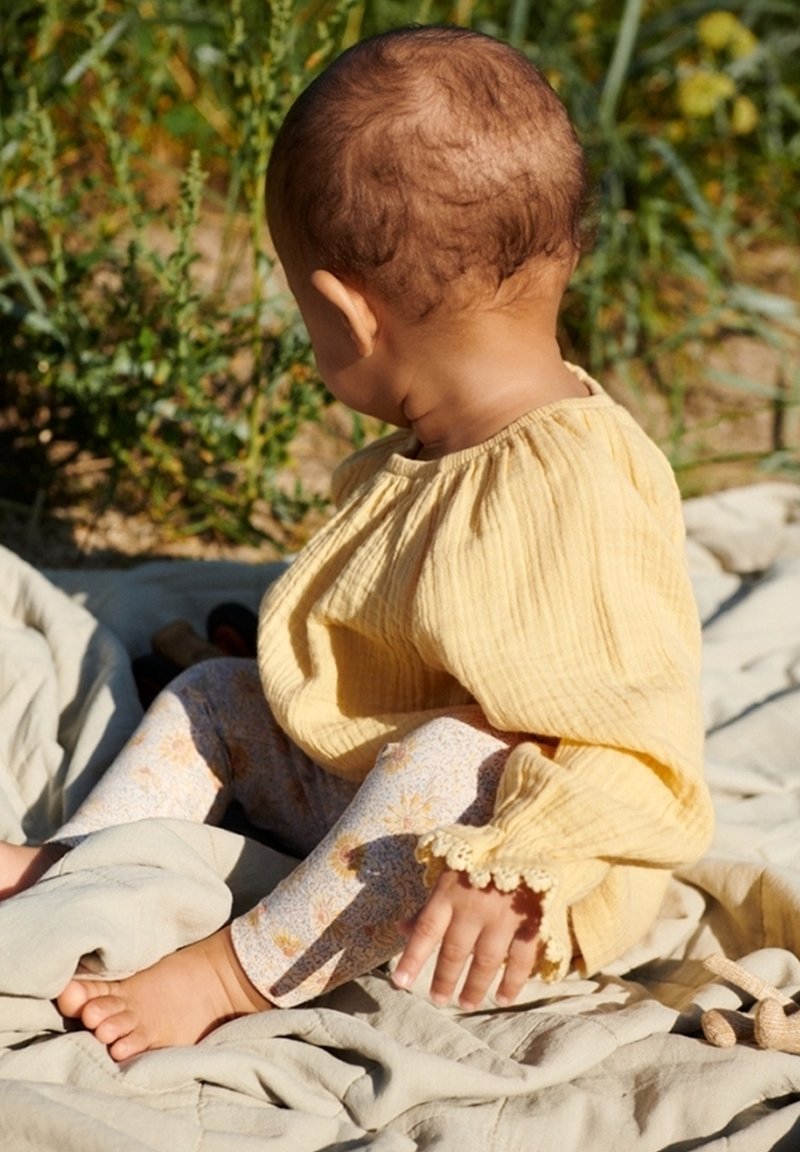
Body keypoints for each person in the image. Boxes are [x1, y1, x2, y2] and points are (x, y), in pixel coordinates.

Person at [0, 24, 714, 1061]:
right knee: (214, 700)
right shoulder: (435, 445)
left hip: (501, 896)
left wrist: (514, 858)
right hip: (382, 806)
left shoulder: (571, 481)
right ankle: (81, 864)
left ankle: (227, 974)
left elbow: (638, 746)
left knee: (446, 754)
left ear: (346, 312)